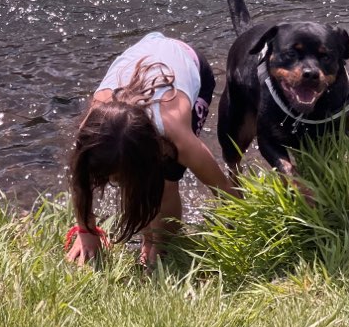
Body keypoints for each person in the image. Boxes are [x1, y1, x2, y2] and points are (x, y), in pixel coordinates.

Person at [65, 31, 235, 267]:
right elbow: (80, 180)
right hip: (147, 49)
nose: (117, 183)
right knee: (139, 184)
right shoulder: (91, 132)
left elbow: (225, 189)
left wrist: (242, 231)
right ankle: (148, 239)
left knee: (165, 184)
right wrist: (86, 231)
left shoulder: (176, 136)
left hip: (190, 62)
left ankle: (164, 247)